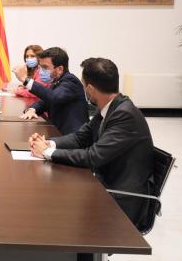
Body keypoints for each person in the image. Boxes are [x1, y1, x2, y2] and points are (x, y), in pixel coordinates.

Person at [28, 58, 154, 228]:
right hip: (104, 184)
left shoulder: (125, 115)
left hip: (121, 198)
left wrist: (47, 153)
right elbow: (81, 137)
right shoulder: (112, 107)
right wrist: (48, 144)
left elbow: (93, 157)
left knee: (50, 208)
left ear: (90, 89)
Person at [13, 47, 88, 134]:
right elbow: (44, 102)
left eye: (45, 67)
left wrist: (25, 80)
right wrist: (32, 110)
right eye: (40, 67)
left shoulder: (71, 81)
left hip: (73, 138)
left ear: (59, 69)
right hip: (57, 133)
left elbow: (54, 97)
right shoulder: (57, 81)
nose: (41, 71)